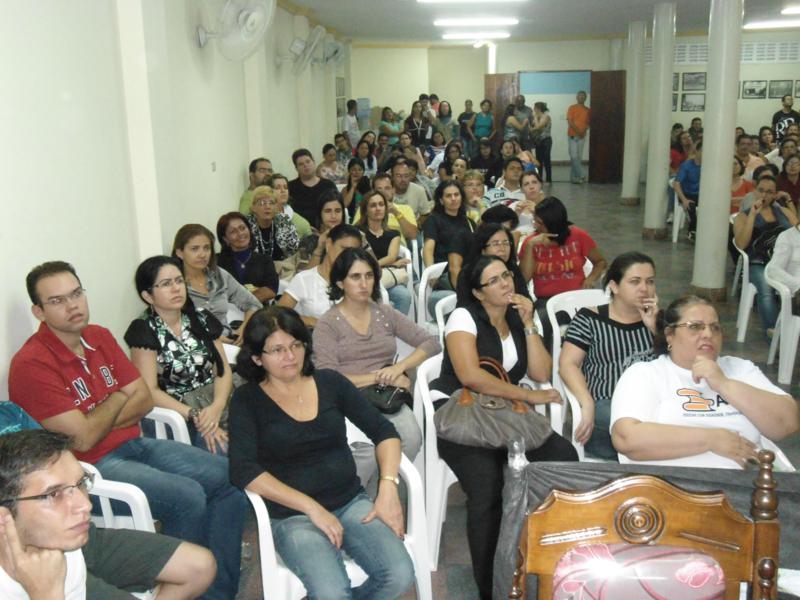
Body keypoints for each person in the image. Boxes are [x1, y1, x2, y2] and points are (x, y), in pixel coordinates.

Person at [8, 261, 246, 599]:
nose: (72, 305)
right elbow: (82, 440)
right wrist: (120, 396)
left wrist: (98, 417)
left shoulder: (98, 336)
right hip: (89, 469)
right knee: (188, 496)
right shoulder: (31, 364)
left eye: (76, 294)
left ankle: (216, 590)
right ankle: (188, 581)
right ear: (39, 311)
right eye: (57, 300)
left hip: (135, 443)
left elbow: (144, 399)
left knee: (228, 476)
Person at [228, 306, 415, 600]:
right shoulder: (246, 400)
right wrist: (312, 508)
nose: (290, 356)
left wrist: (388, 488)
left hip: (350, 502)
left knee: (400, 574)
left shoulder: (330, 382)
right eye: (277, 350)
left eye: (296, 345)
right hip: (292, 517)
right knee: (332, 593)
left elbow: (385, 432)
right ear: (256, 358)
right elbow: (243, 470)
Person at [430, 255, 577, 600]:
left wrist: (529, 323)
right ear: (478, 292)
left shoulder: (514, 314)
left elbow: (540, 372)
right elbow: (470, 376)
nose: (505, 283)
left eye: (506, 275)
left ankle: (546, 552)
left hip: (503, 413)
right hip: (462, 415)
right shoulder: (464, 317)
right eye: (493, 280)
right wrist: (526, 395)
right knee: (488, 487)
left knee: (563, 456)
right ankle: (491, 587)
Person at [0, 429, 216, 600]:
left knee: (200, 566)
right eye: (54, 494)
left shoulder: (61, 543)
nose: (85, 505)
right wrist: (47, 594)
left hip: (74, 567)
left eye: (81, 483)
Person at [610, 295, 799, 468]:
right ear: (670, 335)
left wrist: (724, 384)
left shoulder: (740, 369)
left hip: (747, 484)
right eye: (695, 326)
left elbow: (787, 423)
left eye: (715, 327)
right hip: (672, 486)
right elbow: (627, 438)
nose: (708, 334)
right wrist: (711, 440)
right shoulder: (646, 373)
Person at [313, 248, 438, 484]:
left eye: (369, 276)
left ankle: (386, 490)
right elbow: (327, 377)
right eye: (355, 277)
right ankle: (362, 495)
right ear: (340, 282)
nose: (364, 284)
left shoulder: (384, 313)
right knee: (369, 451)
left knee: (411, 439)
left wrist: (400, 367)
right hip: (346, 398)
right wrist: (382, 376)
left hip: (385, 396)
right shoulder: (327, 324)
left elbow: (431, 342)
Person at [125, 255, 234, 455]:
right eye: (166, 284)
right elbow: (150, 390)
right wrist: (196, 416)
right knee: (224, 448)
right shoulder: (143, 330)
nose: (176, 288)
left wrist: (217, 407)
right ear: (148, 296)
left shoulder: (201, 318)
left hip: (218, 401)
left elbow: (223, 370)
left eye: (179, 281)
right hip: (180, 414)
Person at [559, 252, 658, 459]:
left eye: (650, 281)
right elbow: (568, 364)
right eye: (635, 281)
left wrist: (654, 328)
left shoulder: (660, 321)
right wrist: (586, 402)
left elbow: (681, 362)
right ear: (614, 286)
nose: (644, 288)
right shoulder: (589, 318)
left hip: (652, 400)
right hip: (606, 402)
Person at [172, 223, 261, 345]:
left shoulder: (219, 275)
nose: (202, 254)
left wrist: (244, 328)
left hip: (230, 342)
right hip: (195, 347)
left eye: (207, 248)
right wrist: (212, 340)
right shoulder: (173, 285)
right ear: (179, 253)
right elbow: (170, 326)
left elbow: (253, 304)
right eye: (194, 249)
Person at [733, 175, 798, 334]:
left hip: (785, 260)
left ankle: (793, 329)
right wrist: (753, 215)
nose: (764, 195)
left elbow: (797, 231)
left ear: (775, 195)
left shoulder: (783, 212)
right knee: (766, 289)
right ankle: (774, 333)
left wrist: (789, 201)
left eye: (769, 192)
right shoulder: (743, 216)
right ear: (755, 191)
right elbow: (741, 244)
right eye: (761, 190)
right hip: (759, 262)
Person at [278, 224, 363, 328]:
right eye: (344, 249)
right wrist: (312, 321)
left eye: (354, 252)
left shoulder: (360, 282)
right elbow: (279, 314)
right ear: (329, 244)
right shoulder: (304, 279)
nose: (348, 256)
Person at [355, 191, 413, 315]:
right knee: (377, 298)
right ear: (365, 210)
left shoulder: (393, 234)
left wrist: (385, 264)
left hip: (387, 277)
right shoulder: (357, 233)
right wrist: (390, 264)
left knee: (404, 296)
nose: (378, 208)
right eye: (373, 205)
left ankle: (395, 327)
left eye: (381, 205)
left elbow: (391, 257)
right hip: (363, 277)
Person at [423, 180, 476, 310]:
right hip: (445, 273)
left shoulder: (469, 222)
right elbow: (428, 249)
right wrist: (432, 273)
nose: (453, 199)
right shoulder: (433, 220)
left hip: (468, 271)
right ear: (441, 200)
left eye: (456, 195)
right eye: (448, 196)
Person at [216, 211, 279, 303]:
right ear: (225, 239)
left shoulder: (265, 260)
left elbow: (271, 290)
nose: (240, 233)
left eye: (242, 228)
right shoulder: (217, 262)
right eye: (233, 231)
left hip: (257, 309)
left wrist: (242, 302)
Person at [460, 222, 529, 299]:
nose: (502, 249)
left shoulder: (512, 267)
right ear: (482, 250)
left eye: (506, 243)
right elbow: (466, 304)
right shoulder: (468, 273)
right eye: (495, 244)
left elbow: (525, 297)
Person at [248, 184, 302, 280]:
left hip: (283, 273)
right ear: (253, 207)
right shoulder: (247, 225)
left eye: (271, 203)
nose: (267, 206)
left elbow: (295, 250)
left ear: (277, 207)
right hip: (255, 274)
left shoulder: (284, 221)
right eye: (262, 203)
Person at [288, 149, 338, 225]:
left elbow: (337, 208)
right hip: (300, 229)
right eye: (301, 164)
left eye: (308, 162)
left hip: (326, 227)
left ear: (314, 162)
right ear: (296, 168)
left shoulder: (328, 185)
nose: (305, 165)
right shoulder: (290, 187)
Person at [674, 142, 703, 240]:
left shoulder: (710, 166)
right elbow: (676, 184)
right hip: (686, 194)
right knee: (691, 206)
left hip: (701, 195)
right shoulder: (686, 165)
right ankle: (692, 230)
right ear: (696, 151)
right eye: (703, 151)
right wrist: (684, 199)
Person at [510, 170, 545, 236]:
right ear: (521, 189)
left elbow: (553, 230)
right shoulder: (513, 206)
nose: (531, 187)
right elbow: (504, 231)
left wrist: (537, 213)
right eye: (526, 184)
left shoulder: (550, 207)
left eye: (534, 182)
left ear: (540, 184)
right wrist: (515, 216)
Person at [567, 90, 591, 184]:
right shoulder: (572, 108)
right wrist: (578, 131)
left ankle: (574, 178)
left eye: (583, 96)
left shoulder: (588, 110)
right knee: (573, 156)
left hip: (582, 137)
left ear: (586, 98)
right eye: (580, 96)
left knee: (578, 158)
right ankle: (581, 174)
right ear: (577, 97)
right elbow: (570, 121)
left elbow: (588, 123)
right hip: (572, 136)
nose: (581, 97)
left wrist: (583, 132)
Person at [531, 102, 552, 183]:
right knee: (538, 160)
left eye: (535, 108)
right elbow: (532, 128)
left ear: (538, 109)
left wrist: (535, 117)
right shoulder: (536, 117)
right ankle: (539, 178)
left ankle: (548, 179)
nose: (533, 109)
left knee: (546, 160)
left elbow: (539, 127)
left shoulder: (546, 117)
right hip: (538, 141)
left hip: (546, 141)